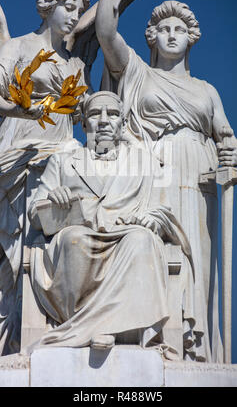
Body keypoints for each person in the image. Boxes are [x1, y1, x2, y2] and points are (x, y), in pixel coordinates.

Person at [95, 0, 237, 362]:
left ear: (190, 39)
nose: (172, 34)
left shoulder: (207, 91)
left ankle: (191, 349)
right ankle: (148, 338)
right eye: (164, 29)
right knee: (151, 250)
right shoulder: (136, 70)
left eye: (180, 29)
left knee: (196, 266)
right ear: (152, 38)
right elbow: (105, 29)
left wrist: (230, 152)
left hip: (198, 182)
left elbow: (225, 138)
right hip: (152, 174)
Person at [27, 91, 194, 357]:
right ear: (84, 124)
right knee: (73, 240)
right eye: (95, 114)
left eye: (112, 114)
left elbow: (163, 209)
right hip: (80, 234)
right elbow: (34, 213)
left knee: (142, 240)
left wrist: (151, 218)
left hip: (126, 234)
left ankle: (110, 326)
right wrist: (52, 198)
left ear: (122, 122)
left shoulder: (144, 162)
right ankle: (85, 325)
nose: (103, 121)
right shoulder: (62, 161)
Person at [0, 0, 92, 355]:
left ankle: (46, 333)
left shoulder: (75, 64)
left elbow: (90, 110)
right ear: (47, 6)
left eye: (78, 7)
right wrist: (26, 112)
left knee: (49, 249)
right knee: (10, 257)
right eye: (67, 5)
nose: (73, 14)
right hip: (18, 156)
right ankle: (11, 340)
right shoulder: (17, 47)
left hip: (59, 161)